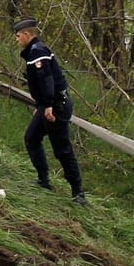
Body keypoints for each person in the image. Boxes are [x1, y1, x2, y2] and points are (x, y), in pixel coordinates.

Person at [14, 17, 86, 203]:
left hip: (56, 106)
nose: (17, 40)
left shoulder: (38, 52)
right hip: (48, 105)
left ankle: (78, 192)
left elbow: (47, 81)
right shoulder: (34, 52)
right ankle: (43, 180)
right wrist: (41, 106)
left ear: (27, 34)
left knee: (62, 149)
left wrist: (47, 107)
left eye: (18, 36)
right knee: (32, 138)